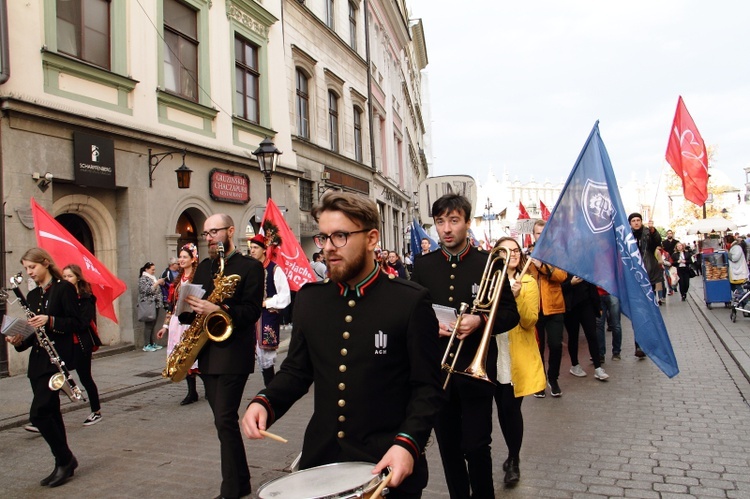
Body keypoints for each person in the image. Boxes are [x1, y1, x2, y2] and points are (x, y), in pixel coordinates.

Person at [242, 192, 444, 498]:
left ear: (372, 238)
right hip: (322, 461)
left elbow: (427, 388)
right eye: (324, 238)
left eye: (340, 236)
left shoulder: (409, 301)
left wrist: (407, 444)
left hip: (387, 463)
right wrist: (264, 401)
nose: (329, 249)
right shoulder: (311, 299)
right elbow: (297, 371)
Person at [410, 193, 519, 499]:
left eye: (454, 220)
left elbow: (512, 314)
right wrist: (431, 326)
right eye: (440, 221)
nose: (446, 228)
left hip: (476, 372)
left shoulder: (489, 264)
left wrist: (481, 322)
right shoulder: (423, 265)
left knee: (476, 446)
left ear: (468, 223)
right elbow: (413, 316)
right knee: (449, 448)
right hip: (439, 373)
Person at [181, 214, 264, 499]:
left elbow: (252, 311)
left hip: (234, 352)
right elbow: (190, 309)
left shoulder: (250, 267)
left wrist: (219, 310)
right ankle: (240, 482)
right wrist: (185, 305)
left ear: (230, 231)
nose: (208, 237)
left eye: (213, 231)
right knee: (222, 421)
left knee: (225, 419)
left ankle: (231, 489)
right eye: (205, 233)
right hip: (207, 352)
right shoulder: (204, 267)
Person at [6, 248, 85, 488]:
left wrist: (50, 320)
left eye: (32, 267)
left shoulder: (64, 288)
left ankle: (66, 458)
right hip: (38, 363)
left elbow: (77, 323)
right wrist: (19, 339)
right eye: (27, 268)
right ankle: (62, 463)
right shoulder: (32, 295)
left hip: (57, 361)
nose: (30, 272)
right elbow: (33, 333)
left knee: (38, 414)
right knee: (51, 413)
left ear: (45, 263)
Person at [492, 237, 546, 486]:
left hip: (516, 356)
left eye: (515, 250)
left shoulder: (529, 282)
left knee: (511, 409)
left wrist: (514, 297)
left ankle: (514, 459)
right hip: (492, 354)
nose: (512, 254)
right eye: (505, 251)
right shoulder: (489, 281)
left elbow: (529, 321)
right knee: (500, 410)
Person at [156, 243, 201, 405]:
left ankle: (210, 386)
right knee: (183, 357)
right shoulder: (176, 281)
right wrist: (165, 326)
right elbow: (171, 306)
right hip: (178, 322)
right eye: (180, 257)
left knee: (196, 354)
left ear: (193, 258)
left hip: (193, 321)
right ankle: (192, 392)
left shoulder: (198, 277)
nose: (181, 260)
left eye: (184, 257)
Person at [529, 219, 568, 398]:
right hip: (535, 308)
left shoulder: (558, 253)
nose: (541, 236)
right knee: (537, 348)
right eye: (538, 233)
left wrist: (542, 266)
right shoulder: (528, 254)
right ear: (533, 235)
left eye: (544, 233)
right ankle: (540, 381)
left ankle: (553, 379)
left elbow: (561, 276)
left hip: (554, 307)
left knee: (555, 345)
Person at [62, 264, 103, 425]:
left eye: (69, 276)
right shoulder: (61, 296)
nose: (66, 280)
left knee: (85, 377)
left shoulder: (85, 298)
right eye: (64, 276)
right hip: (63, 343)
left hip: (80, 343)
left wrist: (66, 320)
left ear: (77, 278)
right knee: (52, 376)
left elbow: (83, 322)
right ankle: (45, 416)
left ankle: (96, 411)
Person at [248, 234, 291, 387]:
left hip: (267, 317)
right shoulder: (249, 269)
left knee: (266, 358)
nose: (252, 251)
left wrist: (266, 302)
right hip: (250, 318)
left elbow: (285, 296)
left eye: (255, 248)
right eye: (250, 248)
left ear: (264, 250)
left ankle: (270, 389)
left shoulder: (274, 269)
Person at [562, 275, 609, 381]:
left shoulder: (584, 262)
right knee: (573, 336)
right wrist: (570, 283)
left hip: (587, 305)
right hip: (570, 307)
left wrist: (598, 306)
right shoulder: (562, 265)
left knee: (592, 335)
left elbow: (591, 284)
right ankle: (575, 365)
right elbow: (557, 288)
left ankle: (598, 368)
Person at [629, 213, 661, 358]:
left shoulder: (648, 234)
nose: (636, 223)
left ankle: (648, 342)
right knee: (638, 313)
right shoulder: (627, 235)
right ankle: (639, 345)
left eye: (638, 220)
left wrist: (653, 230)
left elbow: (657, 242)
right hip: (634, 279)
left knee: (648, 312)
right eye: (633, 221)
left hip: (648, 277)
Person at [138, 262, 165, 352]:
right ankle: (147, 344)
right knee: (149, 325)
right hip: (149, 304)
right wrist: (157, 283)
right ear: (146, 269)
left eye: (154, 269)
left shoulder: (151, 278)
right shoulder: (143, 279)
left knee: (153, 324)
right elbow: (146, 290)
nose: (154, 271)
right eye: (152, 269)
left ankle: (152, 343)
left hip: (155, 304)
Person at [596, 288, 622, 361]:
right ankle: (600, 353)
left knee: (615, 324)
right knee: (599, 324)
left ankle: (616, 352)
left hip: (612, 293)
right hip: (599, 294)